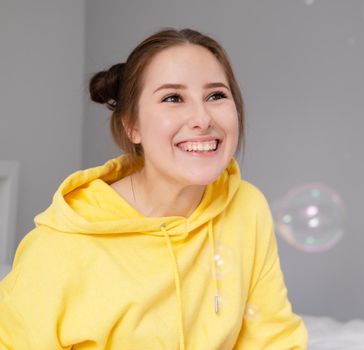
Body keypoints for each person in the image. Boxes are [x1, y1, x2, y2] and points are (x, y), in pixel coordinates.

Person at [0, 28, 308, 349]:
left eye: (216, 95)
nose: (202, 119)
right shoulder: (58, 248)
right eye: (172, 98)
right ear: (132, 125)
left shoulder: (246, 207)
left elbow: (273, 340)